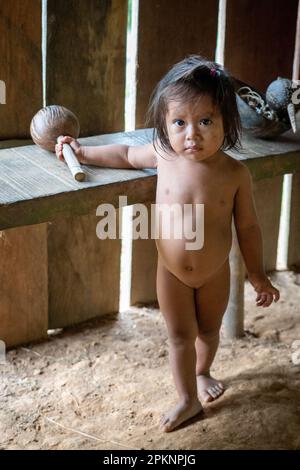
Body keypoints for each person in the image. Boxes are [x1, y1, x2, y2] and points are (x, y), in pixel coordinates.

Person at [56, 55, 280, 432]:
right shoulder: (163, 155)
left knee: (208, 332)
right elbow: (125, 154)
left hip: (214, 273)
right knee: (180, 337)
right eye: (180, 123)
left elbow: (249, 228)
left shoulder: (235, 174)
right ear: (165, 125)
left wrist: (258, 276)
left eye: (205, 121)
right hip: (172, 273)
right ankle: (187, 399)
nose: (192, 134)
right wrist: (81, 152)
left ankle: (203, 372)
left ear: (227, 121)